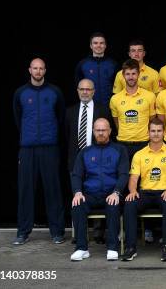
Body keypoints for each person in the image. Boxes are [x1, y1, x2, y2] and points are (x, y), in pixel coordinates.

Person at [13, 58, 65, 245]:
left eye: (41, 68)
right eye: (34, 68)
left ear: (45, 70)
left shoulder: (54, 92)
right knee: (26, 190)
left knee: (53, 189)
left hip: (50, 148)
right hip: (27, 149)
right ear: (29, 70)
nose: (37, 71)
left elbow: (60, 117)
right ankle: (23, 232)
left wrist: (47, 135)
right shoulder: (21, 93)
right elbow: (18, 119)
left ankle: (57, 231)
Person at [121, 118, 166, 262]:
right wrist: (133, 191)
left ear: (164, 133)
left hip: (164, 191)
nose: (156, 134)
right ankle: (130, 248)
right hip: (145, 192)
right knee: (129, 204)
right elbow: (134, 178)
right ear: (148, 133)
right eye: (153, 131)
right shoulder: (139, 154)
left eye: (159, 131)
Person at [69, 118, 128, 261]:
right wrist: (77, 192)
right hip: (90, 194)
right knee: (77, 205)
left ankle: (113, 247)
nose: (101, 133)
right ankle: (82, 248)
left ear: (110, 131)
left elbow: (124, 174)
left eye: (104, 130)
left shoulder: (119, 150)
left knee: (113, 205)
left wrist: (116, 192)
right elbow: (76, 174)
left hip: (111, 193)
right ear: (93, 132)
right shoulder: (85, 152)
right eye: (98, 130)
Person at [65, 79, 112, 244]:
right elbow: (66, 138)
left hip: (97, 160)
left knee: (98, 191)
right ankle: (79, 234)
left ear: (94, 91)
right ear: (77, 91)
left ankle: (99, 233)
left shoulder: (102, 110)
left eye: (88, 89)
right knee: (78, 196)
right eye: (82, 89)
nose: (85, 92)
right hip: (76, 160)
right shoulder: (69, 112)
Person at [109, 59, 156, 159]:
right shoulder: (115, 99)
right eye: (128, 74)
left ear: (138, 74)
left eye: (134, 73)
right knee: (123, 174)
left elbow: (151, 119)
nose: (131, 77)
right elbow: (116, 122)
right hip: (122, 144)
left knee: (144, 175)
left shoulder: (150, 96)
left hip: (143, 143)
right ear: (123, 75)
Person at [75, 32, 117, 105]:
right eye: (95, 43)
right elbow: (78, 86)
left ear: (105, 45)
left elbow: (118, 86)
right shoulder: (82, 64)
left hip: (110, 106)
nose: (98, 45)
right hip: (89, 106)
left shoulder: (113, 64)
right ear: (91, 46)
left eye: (101, 43)